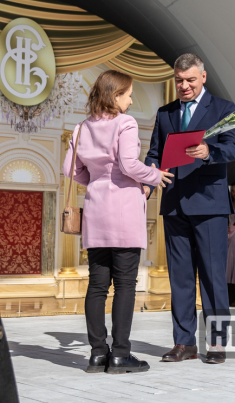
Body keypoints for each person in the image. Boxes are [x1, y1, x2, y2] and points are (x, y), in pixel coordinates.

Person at [63, 70, 174, 374]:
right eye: (128, 95)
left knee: (97, 285)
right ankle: (120, 355)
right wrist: (155, 176)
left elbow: (70, 169)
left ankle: (98, 354)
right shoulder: (125, 123)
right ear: (115, 96)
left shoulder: (81, 127)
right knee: (125, 284)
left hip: (96, 211)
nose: (131, 100)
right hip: (123, 210)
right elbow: (128, 164)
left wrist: (96, 179)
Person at [144, 53, 235, 364]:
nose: (184, 86)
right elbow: (154, 154)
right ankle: (184, 343)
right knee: (180, 279)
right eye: (179, 81)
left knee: (212, 277)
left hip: (209, 205)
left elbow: (233, 148)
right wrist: (148, 180)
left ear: (203, 77)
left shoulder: (224, 108)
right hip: (174, 205)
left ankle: (217, 343)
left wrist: (209, 150)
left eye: (190, 80)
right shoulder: (165, 113)